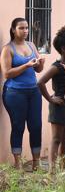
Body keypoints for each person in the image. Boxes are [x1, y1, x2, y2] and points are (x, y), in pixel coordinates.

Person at [2, 17, 44, 170]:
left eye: (27, 28)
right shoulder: (8, 49)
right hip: (14, 93)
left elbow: (37, 70)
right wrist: (26, 64)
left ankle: (36, 163)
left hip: (33, 92)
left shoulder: (31, 45)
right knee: (18, 126)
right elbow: (7, 73)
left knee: (36, 126)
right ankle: (18, 163)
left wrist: (41, 64)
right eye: (21, 28)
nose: (25, 31)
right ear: (14, 30)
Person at [38, 26, 65, 171]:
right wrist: (50, 98)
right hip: (59, 106)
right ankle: (51, 170)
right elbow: (40, 82)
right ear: (63, 49)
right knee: (56, 138)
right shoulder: (57, 67)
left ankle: (63, 163)